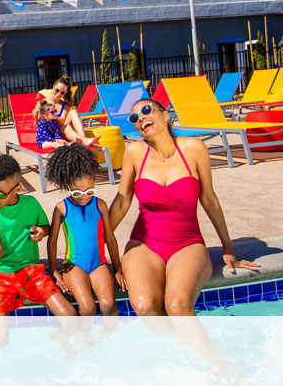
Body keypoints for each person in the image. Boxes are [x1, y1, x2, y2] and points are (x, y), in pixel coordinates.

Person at [107, 98, 259, 315]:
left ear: (166, 114)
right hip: (144, 245)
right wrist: (97, 246)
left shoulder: (193, 148)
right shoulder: (134, 152)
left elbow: (209, 200)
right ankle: (177, 347)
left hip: (187, 244)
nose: (141, 118)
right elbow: (122, 201)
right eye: (134, 118)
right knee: (144, 305)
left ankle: (204, 350)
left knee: (177, 305)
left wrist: (228, 248)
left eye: (147, 110)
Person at [0, 155, 76, 316]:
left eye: (0, 194)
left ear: (17, 189)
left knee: (70, 315)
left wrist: (42, 231)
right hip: (0, 275)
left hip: (31, 272)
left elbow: (46, 227)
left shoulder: (31, 203)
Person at [45, 143, 124, 317]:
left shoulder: (100, 205)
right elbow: (52, 242)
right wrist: (53, 270)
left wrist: (117, 269)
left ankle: (115, 340)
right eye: (78, 193)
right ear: (68, 186)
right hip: (74, 265)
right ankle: (85, 341)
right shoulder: (61, 208)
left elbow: (110, 239)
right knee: (87, 307)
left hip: (99, 264)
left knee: (108, 305)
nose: (84, 197)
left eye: (89, 191)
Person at [33, 75, 95, 146]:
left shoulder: (65, 106)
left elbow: (62, 122)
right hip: (49, 135)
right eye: (57, 90)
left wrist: (53, 115)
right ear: (53, 87)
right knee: (67, 127)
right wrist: (35, 116)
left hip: (59, 133)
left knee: (73, 112)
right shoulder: (41, 103)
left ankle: (83, 140)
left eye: (62, 93)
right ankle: (84, 141)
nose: (59, 94)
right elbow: (36, 127)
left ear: (65, 93)